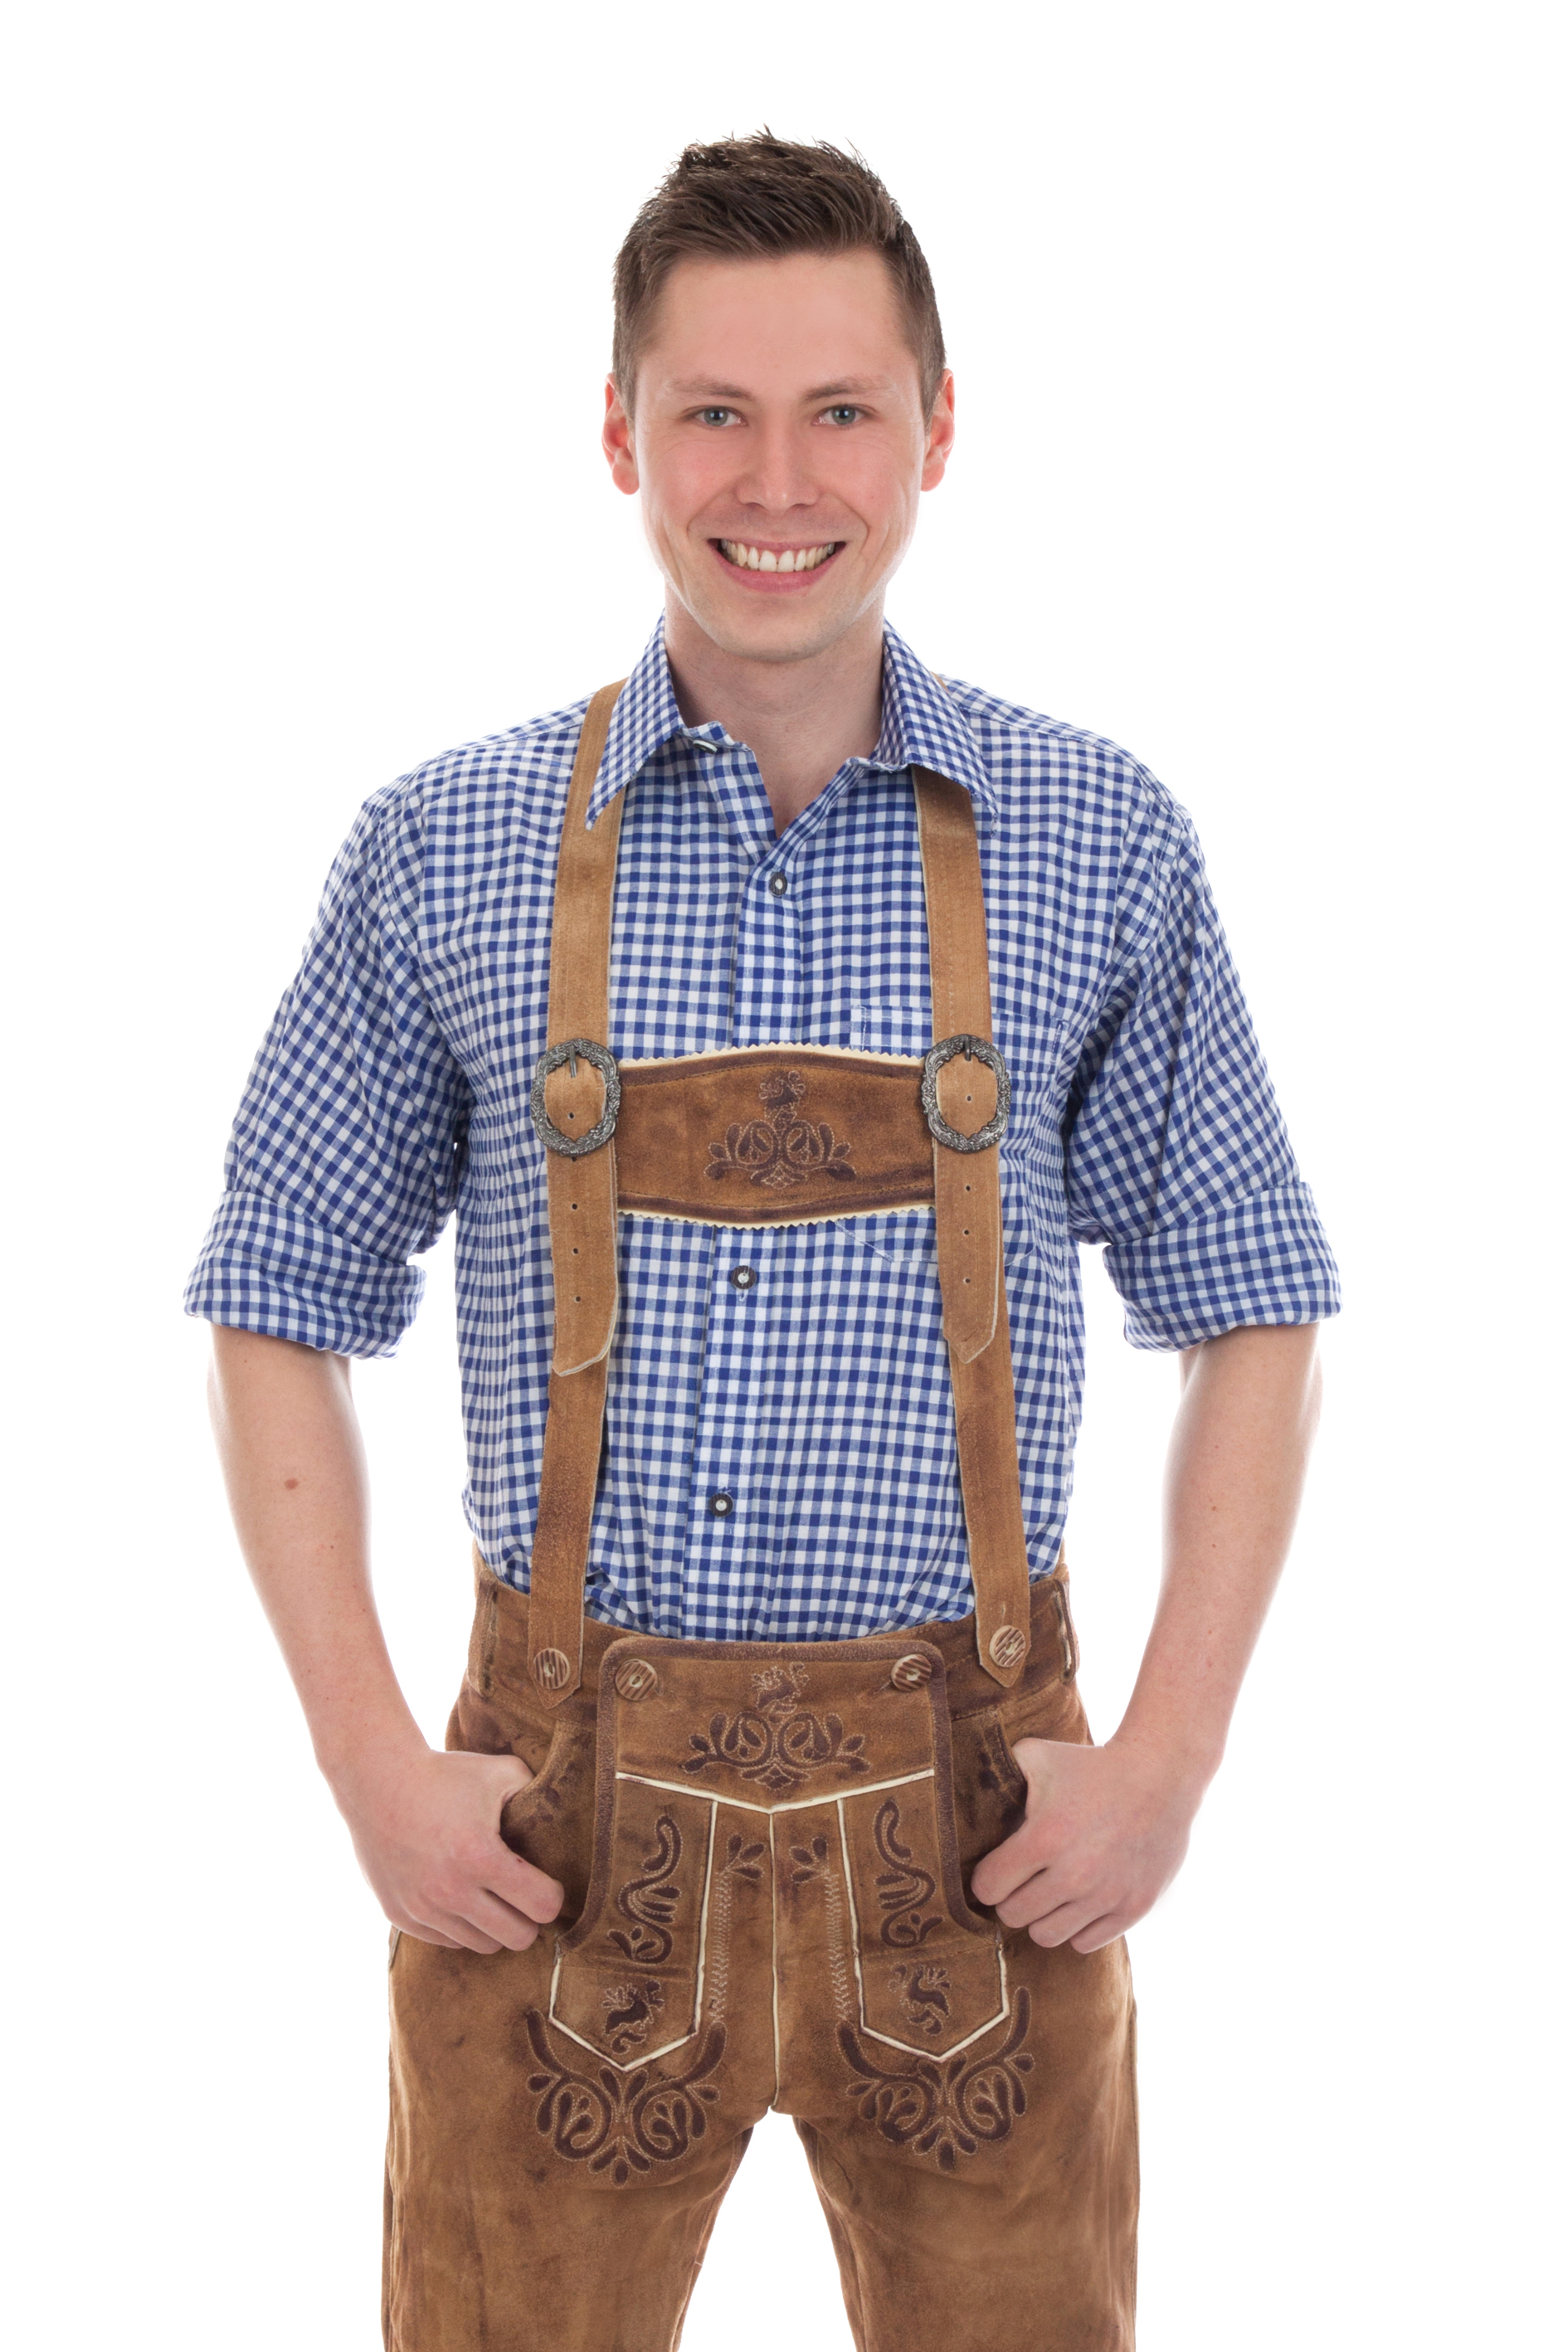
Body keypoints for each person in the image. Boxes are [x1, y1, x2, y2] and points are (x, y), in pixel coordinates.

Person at [188, 135, 1339, 2352]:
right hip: (551, 1835)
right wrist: (366, 1765)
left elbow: (1254, 1307)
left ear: (937, 429)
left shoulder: (1097, 833)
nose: (778, 481)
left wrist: (1171, 1760)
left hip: (988, 1831)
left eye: (841, 412)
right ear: (621, 432)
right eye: (713, 409)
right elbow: (273, 1300)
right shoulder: (442, 843)